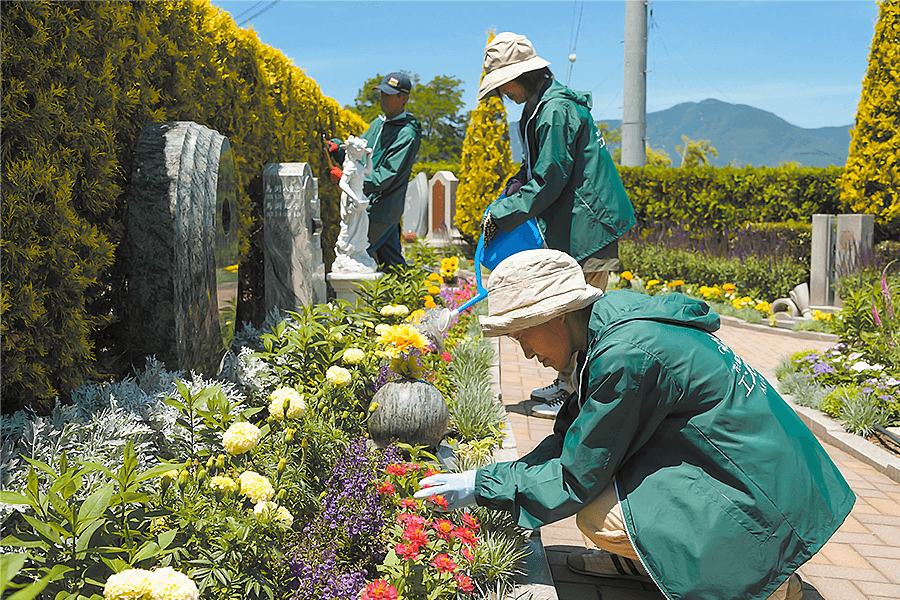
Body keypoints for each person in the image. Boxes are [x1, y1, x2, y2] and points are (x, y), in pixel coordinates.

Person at [416, 249, 855, 600]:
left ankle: (767, 580)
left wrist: (483, 487)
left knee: (597, 514)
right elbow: (576, 437)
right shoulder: (609, 327)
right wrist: (485, 478)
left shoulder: (626, 355)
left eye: (520, 335)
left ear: (553, 316)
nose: (526, 353)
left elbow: (576, 475)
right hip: (764, 471)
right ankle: (650, 562)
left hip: (764, 493)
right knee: (613, 491)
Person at [476, 32, 636, 419]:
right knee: (567, 304)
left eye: (503, 86)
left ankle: (579, 395)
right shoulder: (541, 105)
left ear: (521, 76)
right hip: (577, 222)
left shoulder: (555, 109)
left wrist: (502, 213)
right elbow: (537, 166)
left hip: (590, 225)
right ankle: (568, 383)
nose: (503, 95)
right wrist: (516, 184)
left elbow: (550, 177)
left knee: (579, 312)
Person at [359, 71, 422, 270]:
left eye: (388, 95)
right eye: (382, 93)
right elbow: (359, 150)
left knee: (357, 255)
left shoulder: (406, 133)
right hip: (374, 206)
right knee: (394, 266)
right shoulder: (378, 124)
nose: (382, 99)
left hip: (382, 211)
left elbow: (385, 176)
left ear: (403, 98)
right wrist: (337, 149)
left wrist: (349, 178)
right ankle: (424, 299)